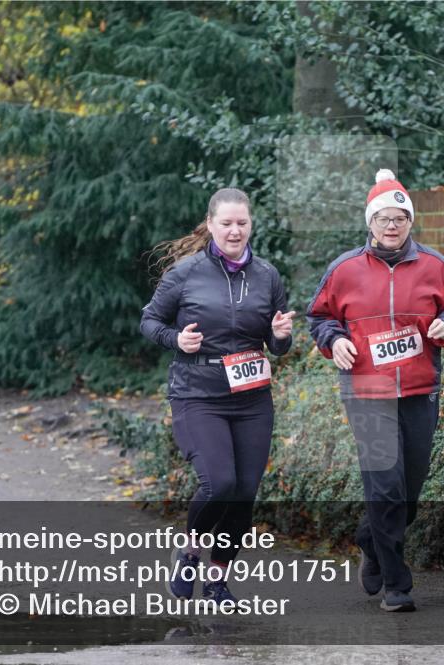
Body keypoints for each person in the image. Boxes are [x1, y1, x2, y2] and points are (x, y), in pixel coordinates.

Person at [307, 169, 444, 612]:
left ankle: (369, 538)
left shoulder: (436, 266)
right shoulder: (344, 269)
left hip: (420, 389)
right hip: (367, 389)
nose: (392, 225)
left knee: (409, 490)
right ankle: (397, 585)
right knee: (385, 487)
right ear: (370, 223)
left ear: (411, 222)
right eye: (384, 217)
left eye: (400, 217)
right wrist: (334, 340)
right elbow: (320, 318)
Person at [140, 188, 295, 604]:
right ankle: (188, 551)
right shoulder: (186, 273)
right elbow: (149, 320)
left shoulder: (267, 276)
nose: (234, 230)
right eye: (226, 223)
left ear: (251, 226)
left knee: (244, 492)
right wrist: (177, 339)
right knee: (219, 483)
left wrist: (281, 337)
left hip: (251, 399)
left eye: (241, 223)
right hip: (197, 394)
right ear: (210, 225)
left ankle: (217, 579)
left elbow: (277, 342)